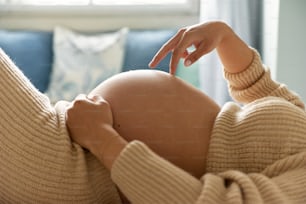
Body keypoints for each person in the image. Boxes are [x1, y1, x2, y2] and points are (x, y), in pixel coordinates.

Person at [0, 20, 305, 204]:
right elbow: (262, 90)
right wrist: (223, 35)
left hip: (83, 171)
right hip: (80, 131)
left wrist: (102, 138)